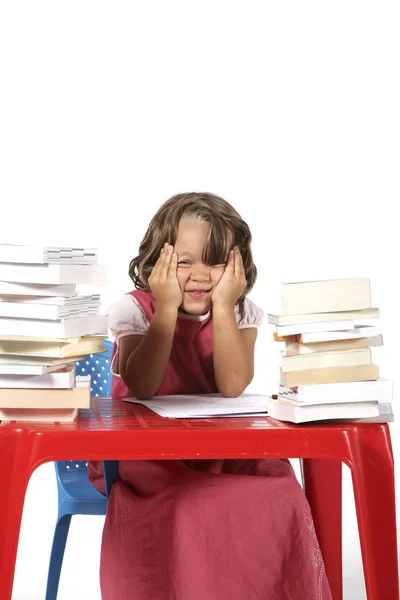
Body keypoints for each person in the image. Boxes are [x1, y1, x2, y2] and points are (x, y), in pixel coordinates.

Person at [89, 192, 332, 600]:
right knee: (195, 504)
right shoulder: (133, 311)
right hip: (144, 455)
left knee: (281, 489)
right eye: (184, 261)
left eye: (215, 260)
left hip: (221, 447)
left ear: (236, 265)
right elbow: (144, 384)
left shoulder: (241, 313)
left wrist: (224, 306)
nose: (200, 274)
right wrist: (165, 309)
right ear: (157, 262)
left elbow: (233, 385)